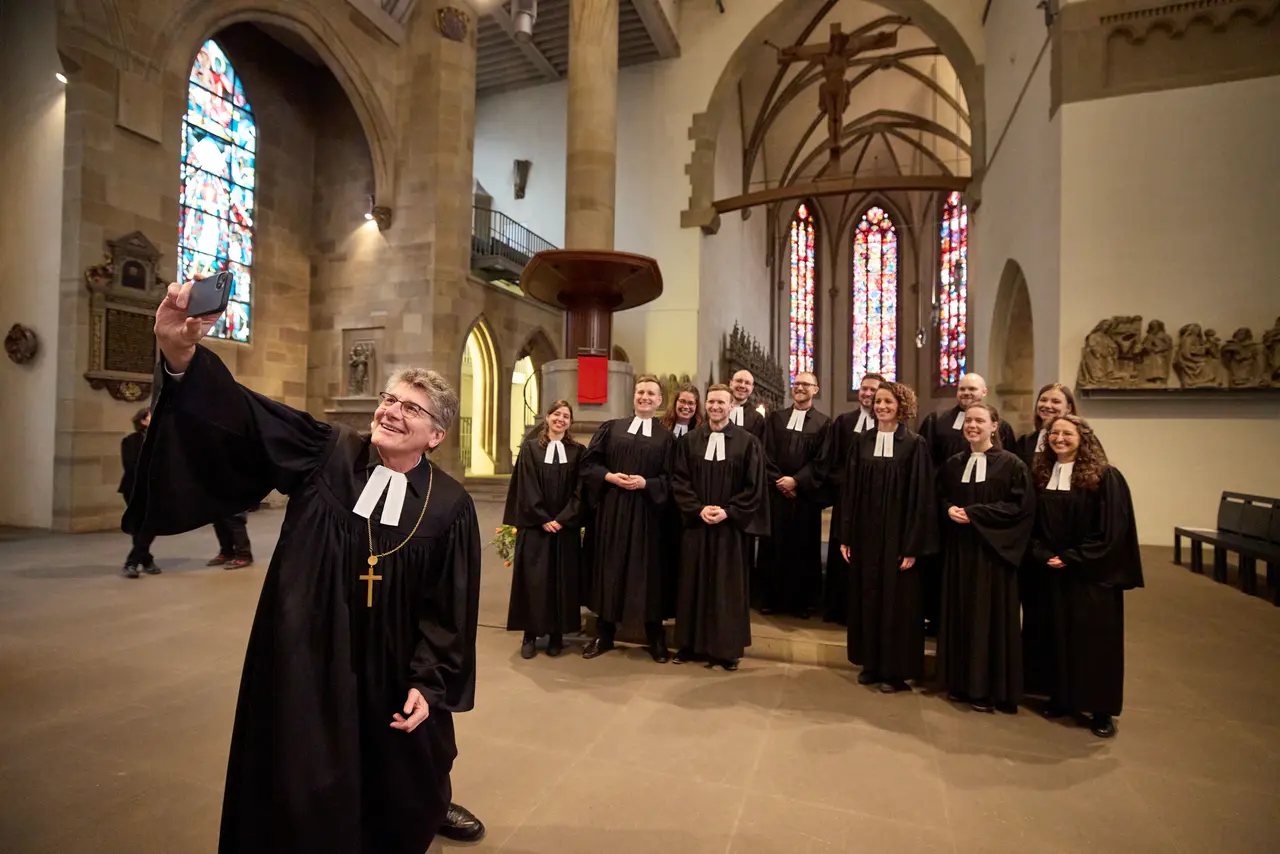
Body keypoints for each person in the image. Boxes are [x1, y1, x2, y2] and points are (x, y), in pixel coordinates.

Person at [125, 281, 481, 854]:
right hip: (313, 653)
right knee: (307, 774)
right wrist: (180, 355)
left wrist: (429, 682)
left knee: (403, 774)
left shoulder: (450, 506)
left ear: (436, 435)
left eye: (411, 408)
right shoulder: (327, 451)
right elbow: (245, 414)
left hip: (395, 662)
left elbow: (450, 608)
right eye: (389, 399)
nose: (390, 411)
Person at [1029, 414, 1143, 738]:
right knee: (1056, 635)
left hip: (1090, 575)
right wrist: (1042, 553)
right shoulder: (1042, 475)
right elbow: (1033, 522)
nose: (1059, 438)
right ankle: (1063, 697)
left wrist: (1071, 557)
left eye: (1067, 433)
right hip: (1052, 571)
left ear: (1084, 438)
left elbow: (1111, 531)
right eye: (1054, 433)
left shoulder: (1105, 477)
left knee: (1093, 641)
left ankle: (1101, 709)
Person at [839, 381, 937, 693]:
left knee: (898, 602)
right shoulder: (862, 441)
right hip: (866, 537)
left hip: (898, 538)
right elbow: (850, 490)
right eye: (878, 401)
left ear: (901, 406)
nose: (881, 406)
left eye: (888, 402)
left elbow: (921, 498)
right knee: (867, 596)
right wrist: (846, 535)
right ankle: (871, 663)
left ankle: (896, 672)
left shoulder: (914, 444)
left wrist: (912, 546)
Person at [936, 403, 1035, 714]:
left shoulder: (1012, 465)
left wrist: (975, 515)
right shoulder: (953, 464)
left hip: (993, 555)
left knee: (989, 618)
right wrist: (947, 509)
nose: (972, 426)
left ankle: (989, 688)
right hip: (960, 553)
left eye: (980, 421)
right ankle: (960, 682)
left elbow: (1020, 508)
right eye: (968, 421)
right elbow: (939, 497)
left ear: (995, 426)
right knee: (961, 613)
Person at [670, 384, 769, 670]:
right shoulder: (689, 441)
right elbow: (680, 480)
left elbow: (754, 487)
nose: (715, 407)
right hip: (697, 525)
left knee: (726, 589)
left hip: (729, 528)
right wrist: (698, 509)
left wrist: (728, 512)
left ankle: (726, 650)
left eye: (721, 402)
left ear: (731, 406)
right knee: (693, 583)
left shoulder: (748, 442)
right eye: (711, 401)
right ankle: (689, 645)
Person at [580, 375, 675, 662]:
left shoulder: (666, 438)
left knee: (648, 572)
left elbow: (673, 479)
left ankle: (654, 635)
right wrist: (610, 476)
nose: (645, 397)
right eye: (640, 392)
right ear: (634, 397)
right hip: (613, 510)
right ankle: (605, 632)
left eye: (651, 394)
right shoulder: (613, 428)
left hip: (648, 515)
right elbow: (589, 464)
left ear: (660, 401)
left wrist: (647, 484)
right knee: (611, 568)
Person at [917, 373, 1015, 635]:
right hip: (950, 516)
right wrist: (944, 505)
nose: (966, 393)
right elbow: (928, 466)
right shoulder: (937, 422)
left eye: (972, 388)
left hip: (988, 527)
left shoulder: (1006, 446)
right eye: (962, 389)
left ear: (984, 392)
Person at [1010, 381, 1079, 697]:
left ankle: (1065, 683)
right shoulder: (1024, 442)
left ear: (1069, 409)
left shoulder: (1080, 448)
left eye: (1056, 401)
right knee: (1033, 610)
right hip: (1029, 538)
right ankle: (1033, 678)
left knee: (1067, 616)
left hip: (1064, 539)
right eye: (1043, 400)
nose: (1048, 405)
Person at [503, 399, 583, 659]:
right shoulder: (530, 450)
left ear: (570, 423)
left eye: (566, 416)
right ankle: (530, 633)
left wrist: (563, 518)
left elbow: (580, 491)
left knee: (562, 581)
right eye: (556, 414)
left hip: (564, 528)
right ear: (547, 418)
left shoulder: (577, 452)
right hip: (536, 528)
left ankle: (557, 635)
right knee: (534, 582)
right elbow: (526, 487)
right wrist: (542, 517)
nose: (561, 419)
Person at [757, 372, 830, 617]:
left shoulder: (823, 423)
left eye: (805, 384)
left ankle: (802, 603)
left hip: (804, 497)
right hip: (777, 494)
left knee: (803, 548)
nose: (799, 388)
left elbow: (822, 460)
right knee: (773, 546)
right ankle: (770, 599)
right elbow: (765, 452)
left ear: (815, 389)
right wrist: (779, 481)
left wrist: (796, 481)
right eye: (796, 384)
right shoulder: (776, 418)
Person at [819, 372, 884, 623]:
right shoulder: (844, 422)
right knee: (841, 549)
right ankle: (839, 607)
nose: (868, 394)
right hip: (846, 498)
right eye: (864, 389)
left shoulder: (889, 422)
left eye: (873, 390)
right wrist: (845, 484)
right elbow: (831, 459)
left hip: (876, 503)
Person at [119, 406, 161, 578]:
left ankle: (140, 560)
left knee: (148, 526)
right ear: (143, 420)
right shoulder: (131, 440)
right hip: (134, 489)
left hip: (157, 490)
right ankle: (139, 561)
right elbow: (130, 466)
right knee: (142, 525)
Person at [727, 369, 767, 440]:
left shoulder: (758, 419)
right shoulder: (718, 411)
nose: (742, 385)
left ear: (752, 389)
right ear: (731, 384)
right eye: (739, 381)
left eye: (747, 383)